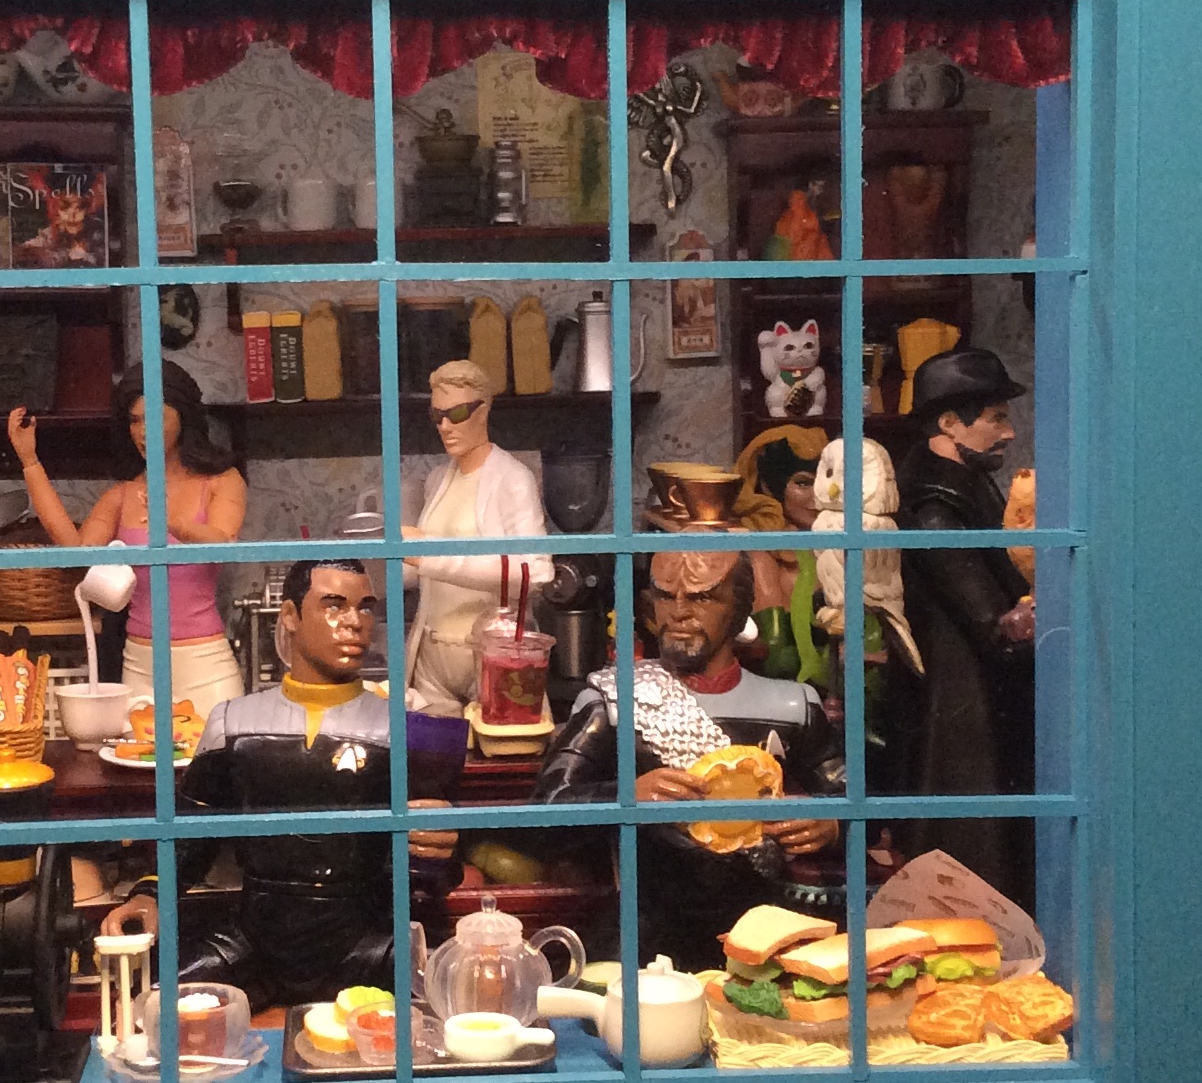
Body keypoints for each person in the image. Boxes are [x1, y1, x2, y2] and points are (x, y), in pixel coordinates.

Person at [100, 559, 464, 1011]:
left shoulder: (404, 731)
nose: (354, 622)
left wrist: (443, 850)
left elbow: (434, 864)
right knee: (147, 1009)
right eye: (334, 605)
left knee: (449, 1007)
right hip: (255, 940)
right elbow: (191, 836)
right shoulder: (233, 723)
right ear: (290, 616)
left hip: (366, 939)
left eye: (365, 608)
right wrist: (149, 894)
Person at [533, 550, 844, 970]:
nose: (678, 612)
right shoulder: (613, 701)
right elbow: (548, 810)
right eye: (666, 596)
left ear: (739, 607)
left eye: (702, 598)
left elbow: (860, 800)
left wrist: (831, 823)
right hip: (645, 930)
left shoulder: (792, 705)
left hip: (762, 928)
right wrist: (627, 797)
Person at [7, 360, 246, 715]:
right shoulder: (123, 495)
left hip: (205, 662)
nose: (143, 432)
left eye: (155, 418)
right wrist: (30, 462)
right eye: (134, 421)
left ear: (183, 417)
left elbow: (222, 542)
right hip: (139, 663)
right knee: (137, 751)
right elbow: (77, 551)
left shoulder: (221, 481)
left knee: (213, 748)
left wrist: (173, 522)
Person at [895, 347, 1035, 893]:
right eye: (996, 418)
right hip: (964, 715)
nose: (1009, 433)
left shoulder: (964, 484)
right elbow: (994, 625)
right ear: (950, 423)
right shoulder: (935, 508)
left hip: (984, 704)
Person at [402, 360, 552, 717]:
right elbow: (421, 576)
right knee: (431, 748)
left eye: (457, 413)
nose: (445, 426)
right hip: (432, 655)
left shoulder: (513, 479)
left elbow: (535, 573)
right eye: (437, 415)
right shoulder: (437, 480)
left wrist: (428, 555)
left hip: (493, 654)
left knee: (504, 746)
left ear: (483, 411)